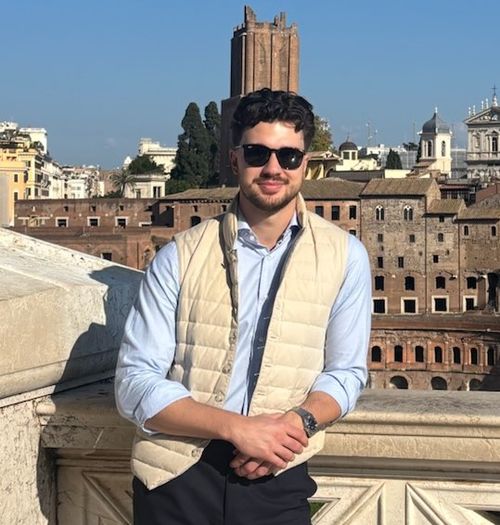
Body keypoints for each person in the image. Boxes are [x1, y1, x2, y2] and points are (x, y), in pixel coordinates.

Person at [115, 88, 371, 525]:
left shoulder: (346, 256)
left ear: (306, 164)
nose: (273, 168)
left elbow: (347, 372)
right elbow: (134, 383)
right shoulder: (178, 255)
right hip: (175, 476)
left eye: (288, 156)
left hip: (278, 473)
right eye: (257, 153)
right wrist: (238, 429)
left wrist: (295, 427)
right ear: (235, 160)